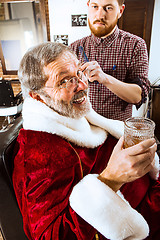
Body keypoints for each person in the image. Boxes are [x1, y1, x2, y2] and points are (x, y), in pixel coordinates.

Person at [12, 42, 160, 240]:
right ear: (37, 96)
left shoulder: (75, 115)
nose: (82, 85)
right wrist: (111, 179)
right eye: (64, 81)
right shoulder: (38, 153)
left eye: (79, 74)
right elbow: (49, 236)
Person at [70, 0, 150, 121]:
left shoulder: (135, 45)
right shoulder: (74, 47)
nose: (100, 15)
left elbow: (138, 96)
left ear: (120, 11)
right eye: (95, 7)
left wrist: (105, 78)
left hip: (118, 130)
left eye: (108, 8)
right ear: (88, 6)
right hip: (84, 128)